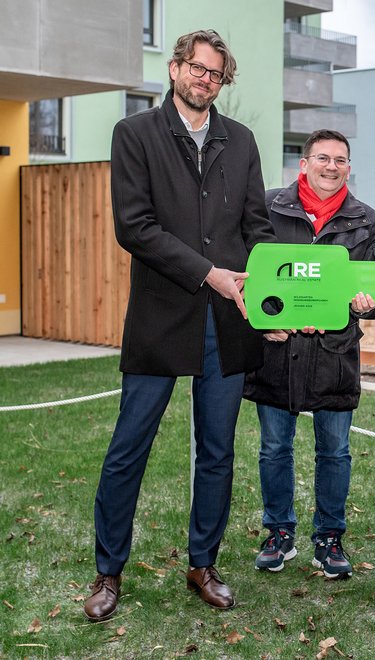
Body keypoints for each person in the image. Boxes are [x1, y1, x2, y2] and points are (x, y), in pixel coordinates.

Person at [84, 30, 276, 621]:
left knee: (217, 452)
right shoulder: (134, 134)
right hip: (161, 317)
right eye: (196, 69)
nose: (205, 80)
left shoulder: (240, 141)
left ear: (223, 81)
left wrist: (268, 300)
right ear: (174, 70)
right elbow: (135, 227)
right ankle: (108, 572)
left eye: (215, 74)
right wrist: (211, 274)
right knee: (128, 449)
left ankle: (203, 564)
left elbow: (258, 229)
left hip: (228, 320)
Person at [243, 129, 375, 579]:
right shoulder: (267, 208)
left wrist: (368, 303)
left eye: (340, 160)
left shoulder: (367, 222)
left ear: (348, 168)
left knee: (336, 451)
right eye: (322, 158)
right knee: (273, 448)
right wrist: (266, 321)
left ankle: (329, 536)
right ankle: (279, 532)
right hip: (277, 352)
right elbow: (251, 275)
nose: (331, 166)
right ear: (303, 164)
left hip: (334, 353)